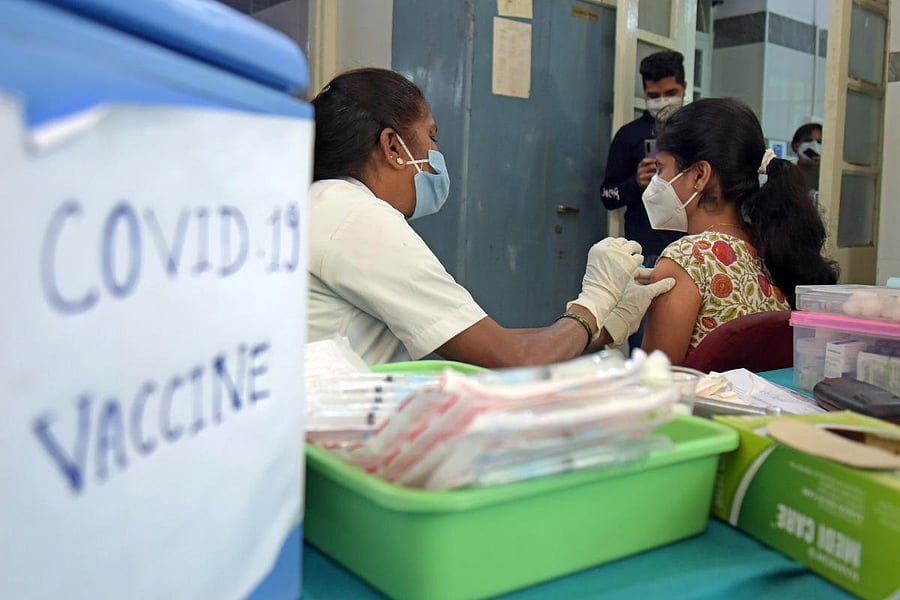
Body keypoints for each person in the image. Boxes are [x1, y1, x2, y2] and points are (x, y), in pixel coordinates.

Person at [307, 68, 674, 367]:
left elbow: (485, 340)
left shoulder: (323, 203)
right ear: (392, 146)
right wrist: (593, 300)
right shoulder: (361, 219)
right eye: (432, 137)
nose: (436, 152)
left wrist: (606, 325)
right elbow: (510, 357)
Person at [640, 98, 839, 365]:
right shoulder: (772, 249)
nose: (655, 183)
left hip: (692, 408)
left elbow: (652, 385)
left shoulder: (685, 260)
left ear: (700, 175)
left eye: (661, 169)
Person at [600, 50, 688, 269]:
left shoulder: (699, 131)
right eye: (654, 96)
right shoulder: (629, 135)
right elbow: (607, 196)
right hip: (644, 250)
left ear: (684, 88)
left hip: (691, 246)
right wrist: (635, 183)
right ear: (645, 94)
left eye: (670, 93)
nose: (663, 101)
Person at [791, 122, 822, 193]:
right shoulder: (789, 174)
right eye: (808, 141)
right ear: (796, 145)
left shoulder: (827, 174)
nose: (814, 145)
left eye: (819, 141)